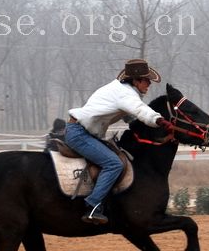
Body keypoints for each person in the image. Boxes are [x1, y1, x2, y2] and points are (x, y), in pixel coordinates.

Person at [65, 58, 166, 224]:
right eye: (147, 81)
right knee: (114, 164)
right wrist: (159, 120)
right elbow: (140, 110)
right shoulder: (126, 94)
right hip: (80, 134)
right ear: (136, 80)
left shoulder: (119, 90)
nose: (149, 84)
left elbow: (130, 116)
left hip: (81, 131)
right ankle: (93, 207)